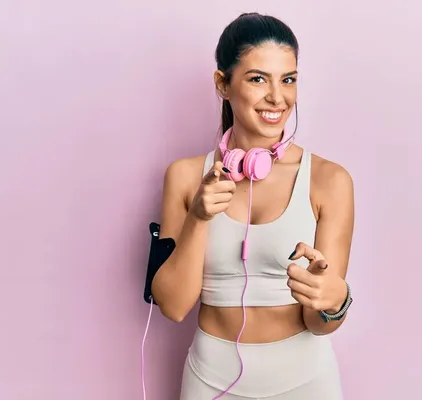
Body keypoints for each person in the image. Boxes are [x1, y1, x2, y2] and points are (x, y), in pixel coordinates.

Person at [151, 12, 355, 400]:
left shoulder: (329, 181)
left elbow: (320, 322)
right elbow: (174, 306)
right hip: (210, 379)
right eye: (258, 78)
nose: (278, 98)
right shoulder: (184, 176)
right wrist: (198, 217)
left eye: (288, 79)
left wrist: (335, 300)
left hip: (307, 381)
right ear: (223, 84)